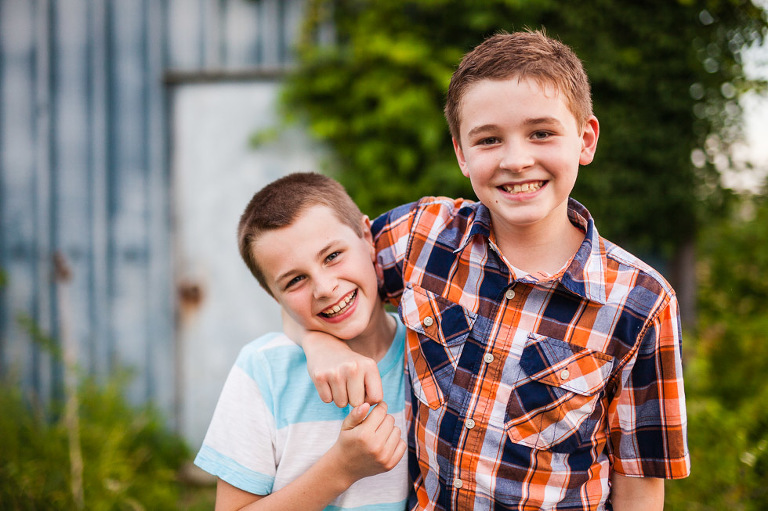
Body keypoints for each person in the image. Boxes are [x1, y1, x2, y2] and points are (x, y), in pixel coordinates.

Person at [300, 30, 690, 510]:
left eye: (541, 133)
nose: (516, 159)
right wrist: (317, 343)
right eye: (488, 140)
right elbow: (310, 287)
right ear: (462, 154)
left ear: (585, 140)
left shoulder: (641, 303)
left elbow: (640, 479)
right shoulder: (421, 235)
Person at [194, 172, 409, 511]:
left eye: (333, 256)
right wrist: (340, 469)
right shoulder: (262, 370)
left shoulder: (429, 351)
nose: (324, 288)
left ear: (367, 237)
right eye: (295, 280)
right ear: (273, 295)